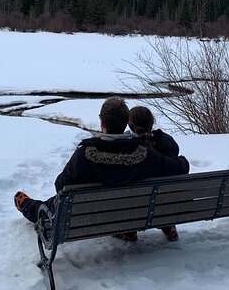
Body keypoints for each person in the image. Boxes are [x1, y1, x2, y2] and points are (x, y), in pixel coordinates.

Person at [14, 96, 189, 242]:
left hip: (94, 213)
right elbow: (181, 167)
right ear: (125, 123)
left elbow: (61, 185)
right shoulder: (147, 154)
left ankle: (28, 206)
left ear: (102, 122)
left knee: (48, 206)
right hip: (132, 211)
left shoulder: (85, 154)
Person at [128, 105, 184, 241]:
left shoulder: (129, 146)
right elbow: (175, 152)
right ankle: (167, 224)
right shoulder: (167, 141)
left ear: (130, 125)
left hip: (135, 204)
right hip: (165, 202)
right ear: (151, 123)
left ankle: (128, 230)